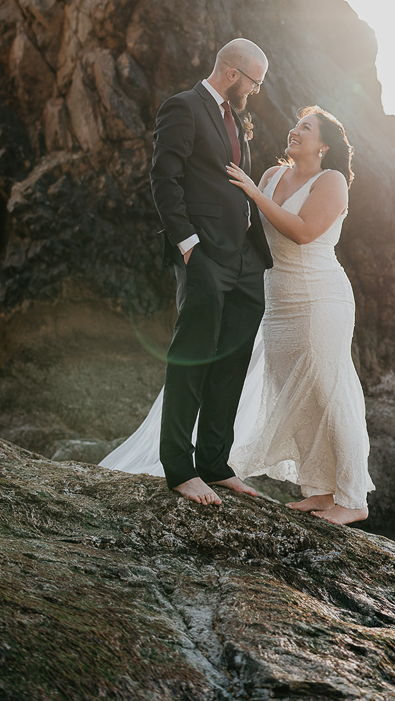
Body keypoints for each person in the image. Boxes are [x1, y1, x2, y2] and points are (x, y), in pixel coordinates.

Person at [100, 39, 272, 506]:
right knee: (192, 356)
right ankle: (180, 467)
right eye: (255, 81)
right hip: (204, 257)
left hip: (246, 262)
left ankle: (215, 465)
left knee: (231, 364)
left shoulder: (236, 119)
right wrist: (189, 246)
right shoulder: (183, 107)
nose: (255, 91)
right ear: (234, 73)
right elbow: (164, 177)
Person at [227, 106, 374, 524]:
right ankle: (320, 490)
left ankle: (352, 498)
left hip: (320, 297)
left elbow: (303, 231)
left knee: (329, 390)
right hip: (277, 298)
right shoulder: (272, 176)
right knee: (298, 392)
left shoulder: (332, 181)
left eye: (306, 127)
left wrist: (253, 194)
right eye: (296, 124)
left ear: (324, 144)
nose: (295, 130)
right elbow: (251, 227)